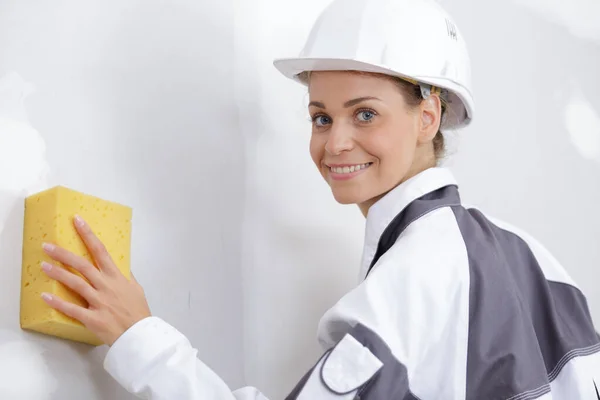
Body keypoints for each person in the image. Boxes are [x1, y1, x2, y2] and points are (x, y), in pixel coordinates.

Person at [38, 0, 600, 398]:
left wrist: (140, 338)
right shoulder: (531, 256)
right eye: (321, 116)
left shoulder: (415, 275)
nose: (335, 142)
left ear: (428, 116)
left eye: (365, 114)